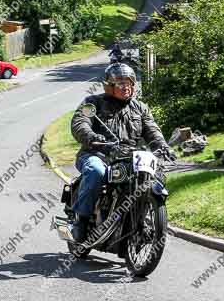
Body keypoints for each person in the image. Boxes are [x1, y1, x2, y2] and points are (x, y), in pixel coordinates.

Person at [69, 62, 176, 242]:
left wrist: (163, 146)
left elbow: (152, 130)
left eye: (129, 82)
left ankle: (144, 218)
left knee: (156, 175)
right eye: (120, 83)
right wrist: (92, 136)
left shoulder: (140, 108)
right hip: (97, 154)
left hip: (130, 157)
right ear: (109, 86)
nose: (126, 87)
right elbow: (80, 123)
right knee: (96, 172)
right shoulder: (93, 103)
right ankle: (81, 220)